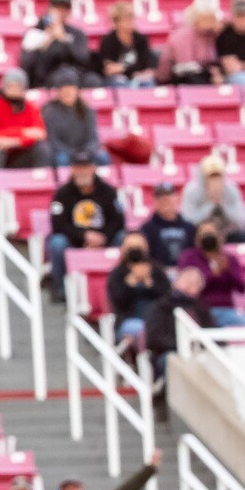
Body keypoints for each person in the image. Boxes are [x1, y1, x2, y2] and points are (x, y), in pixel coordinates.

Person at [44, 149, 122, 293]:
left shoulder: (108, 191)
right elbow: (58, 224)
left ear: (93, 168)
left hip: (104, 238)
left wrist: (103, 238)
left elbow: (118, 221)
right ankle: (61, 288)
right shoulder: (62, 194)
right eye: (78, 167)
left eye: (85, 167)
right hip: (74, 240)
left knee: (122, 238)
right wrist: (84, 236)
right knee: (57, 242)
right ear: (72, 169)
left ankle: (121, 287)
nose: (82, 171)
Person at [0, 68, 53, 188]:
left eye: (18, 87)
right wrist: (23, 132)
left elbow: (39, 133)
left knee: (42, 148)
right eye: (11, 86)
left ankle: (40, 187)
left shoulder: (30, 107)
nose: (14, 91)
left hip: (19, 157)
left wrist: (15, 141)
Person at [22, 0, 94, 88]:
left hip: (76, 75)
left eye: (65, 8)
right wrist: (48, 38)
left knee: (92, 79)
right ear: (49, 9)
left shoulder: (77, 34)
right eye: (57, 8)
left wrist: (63, 39)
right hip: (47, 77)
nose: (61, 11)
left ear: (69, 11)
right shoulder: (36, 32)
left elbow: (83, 59)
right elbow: (28, 65)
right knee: (65, 77)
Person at [110, 236, 165, 350]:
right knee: (140, 329)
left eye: (138, 247)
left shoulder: (156, 270)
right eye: (131, 248)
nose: (135, 251)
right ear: (123, 250)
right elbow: (118, 302)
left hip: (156, 320)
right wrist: (130, 284)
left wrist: (149, 283)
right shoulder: (118, 273)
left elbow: (166, 297)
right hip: (128, 321)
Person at [138, 182, 196, 267]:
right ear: (154, 201)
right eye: (159, 197)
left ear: (176, 198)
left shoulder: (190, 228)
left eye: (168, 196)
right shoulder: (146, 230)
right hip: (158, 274)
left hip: (186, 273)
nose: (164, 199)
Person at [42, 77, 101, 158]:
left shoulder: (87, 111)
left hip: (85, 151)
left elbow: (93, 137)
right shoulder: (50, 112)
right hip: (63, 152)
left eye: (70, 90)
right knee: (62, 158)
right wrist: (72, 153)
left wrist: (86, 152)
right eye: (63, 90)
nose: (67, 93)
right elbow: (52, 140)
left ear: (77, 91)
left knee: (102, 157)